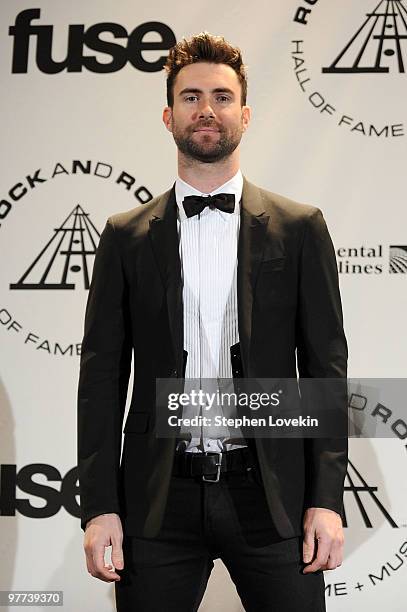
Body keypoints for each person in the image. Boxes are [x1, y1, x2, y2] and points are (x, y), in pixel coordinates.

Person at [77, 32, 348, 612]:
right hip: (158, 500)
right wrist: (100, 507)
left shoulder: (300, 228)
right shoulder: (125, 237)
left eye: (222, 98)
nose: (207, 110)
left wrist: (327, 500)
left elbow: (325, 369)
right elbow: (100, 383)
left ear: (245, 115)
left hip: (270, 493)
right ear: (168, 114)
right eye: (192, 96)